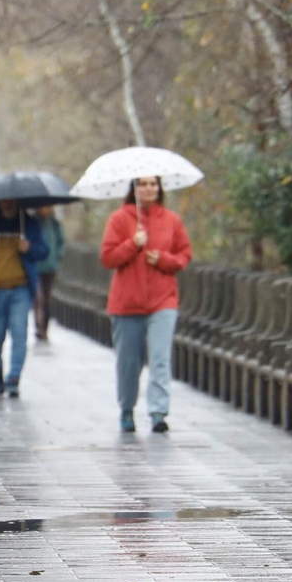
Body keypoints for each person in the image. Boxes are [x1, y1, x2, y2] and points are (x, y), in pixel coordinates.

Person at [100, 176, 193, 433]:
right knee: (129, 362)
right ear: (134, 188)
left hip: (163, 301)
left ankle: (158, 412)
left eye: (153, 184)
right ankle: (127, 410)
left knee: (160, 358)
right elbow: (107, 258)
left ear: (160, 188)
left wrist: (164, 259)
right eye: (143, 184)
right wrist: (133, 244)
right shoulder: (119, 219)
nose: (148, 188)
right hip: (127, 303)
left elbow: (184, 254)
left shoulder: (171, 220)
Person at [0, 199, 48, 398]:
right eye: (4, 201)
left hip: (20, 290)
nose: (8, 204)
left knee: (20, 335)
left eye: (11, 201)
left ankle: (13, 378)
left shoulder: (28, 223)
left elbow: (44, 251)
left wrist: (29, 248)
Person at [33, 205, 66, 341]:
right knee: (38, 298)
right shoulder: (33, 222)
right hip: (36, 266)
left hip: (50, 267)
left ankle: (44, 327)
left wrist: (57, 256)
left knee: (47, 298)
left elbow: (61, 242)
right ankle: (38, 326)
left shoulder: (54, 223)